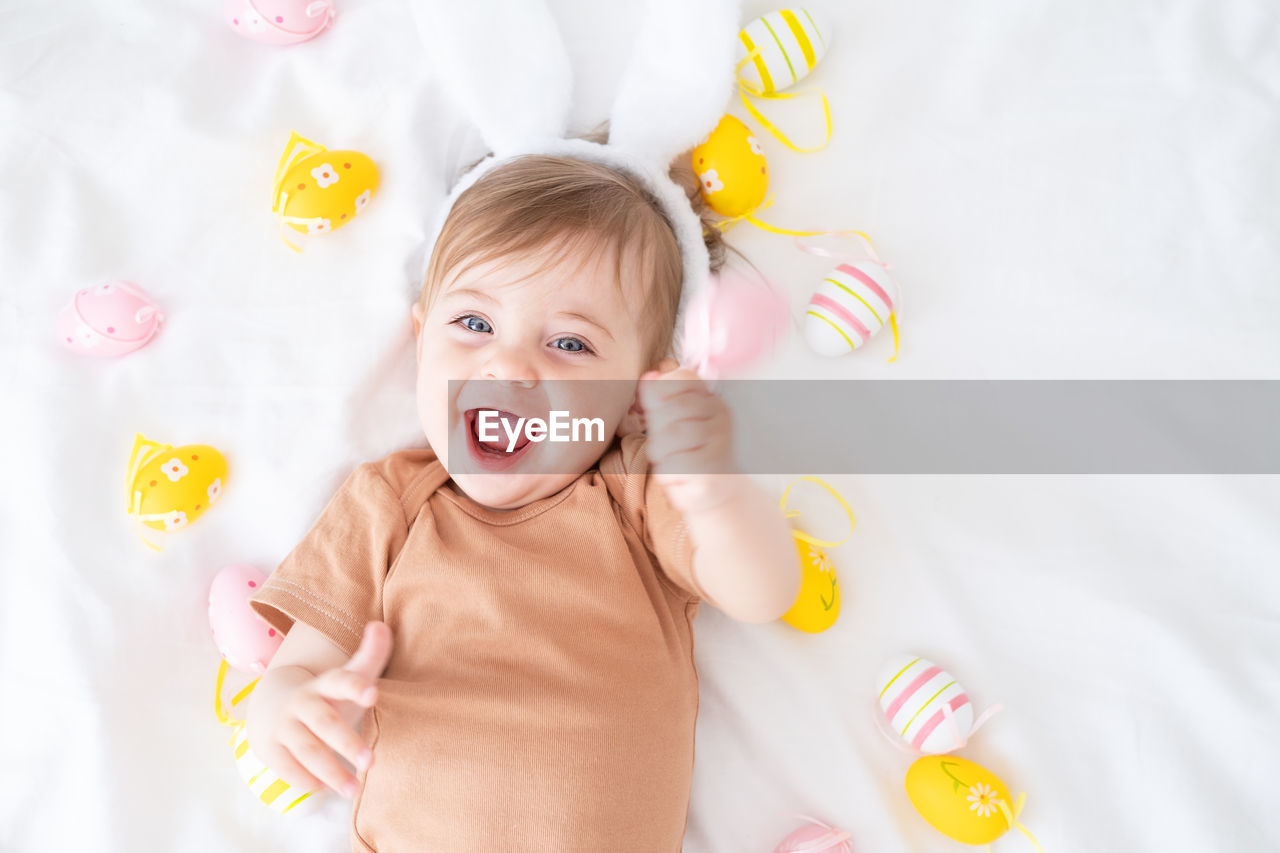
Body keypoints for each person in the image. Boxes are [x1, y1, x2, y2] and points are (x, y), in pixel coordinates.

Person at [244, 139, 796, 851]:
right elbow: (295, 669)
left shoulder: (636, 495)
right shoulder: (388, 502)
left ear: (636, 398)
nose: (508, 363)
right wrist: (291, 710)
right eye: (474, 324)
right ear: (421, 342)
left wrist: (716, 496)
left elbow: (765, 590)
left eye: (569, 344)